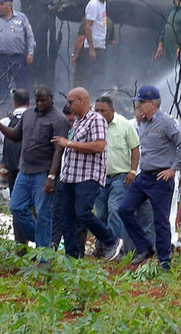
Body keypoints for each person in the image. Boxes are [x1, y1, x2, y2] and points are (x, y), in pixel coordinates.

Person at [118, 86, 181, 270]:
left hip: (161, 177)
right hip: (144, 175)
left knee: (160, 220)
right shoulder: (143, 122)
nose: (138, 105)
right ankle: (145, 247)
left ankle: (164, 261)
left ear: (152, 104)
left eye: (141, 102)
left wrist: (173, 169)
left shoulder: (166, 122)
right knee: (124, 209)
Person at [0, 86, 67, 249]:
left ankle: (43, 256)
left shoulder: (59, 119)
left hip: (43, 173)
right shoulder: (28, 114)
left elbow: (59, 151)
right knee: (16, 207)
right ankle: (41, 239)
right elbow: (16, 135)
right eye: (37, 100)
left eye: (43, 100)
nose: (39, 104)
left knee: (43, 213)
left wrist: (52, 177)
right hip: (24, 171)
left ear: (51, 98)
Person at [52, 88, 124, 260]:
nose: (69, 106)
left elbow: (99, 146)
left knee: (83, 212)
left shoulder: (96, 120)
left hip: (88, 176)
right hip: (70, 176)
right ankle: (72, 256)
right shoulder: (77, 121)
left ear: (82, 101)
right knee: (66, 216)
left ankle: (111, 239)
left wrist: (69, 143)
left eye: (71, 102)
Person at [91, 95, 140, 256]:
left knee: (114, 210)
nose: (99, 114)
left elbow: (135, 148)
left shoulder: (124, 125)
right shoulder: (92, 125)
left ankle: (116, 249)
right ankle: (102, 247)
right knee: (101, 213)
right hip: (99, 177)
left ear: (112, 110)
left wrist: (133, 171)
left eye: (103, 111)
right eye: (96, 110)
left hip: (120, 176)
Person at [0, 88, 30, 244]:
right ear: (30, 103)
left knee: (17, 207)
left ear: (14, 103)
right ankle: (42, 246)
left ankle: (21, 246)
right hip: (35, 171)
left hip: (13, 173)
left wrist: (0, 169)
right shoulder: (36, 119)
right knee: (38, 208)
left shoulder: (4, 122)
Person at [0, 0, 35, 108]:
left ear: (9, 5)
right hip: (1, 57)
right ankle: (4, 106)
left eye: (2, 4)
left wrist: (30, 53)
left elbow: (30, 37)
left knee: (21, 83)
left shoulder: (21, 18)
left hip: (18, 56)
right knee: (3, 83)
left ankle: (23, 107)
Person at [73, 0, 112, 92]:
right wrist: (91, 48)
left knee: (99, 73)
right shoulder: (94, 5)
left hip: (100, 45)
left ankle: (96, 95)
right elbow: (88, 27)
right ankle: (91, 96)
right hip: (94, 46)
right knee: (92, 74)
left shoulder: (103, 3)